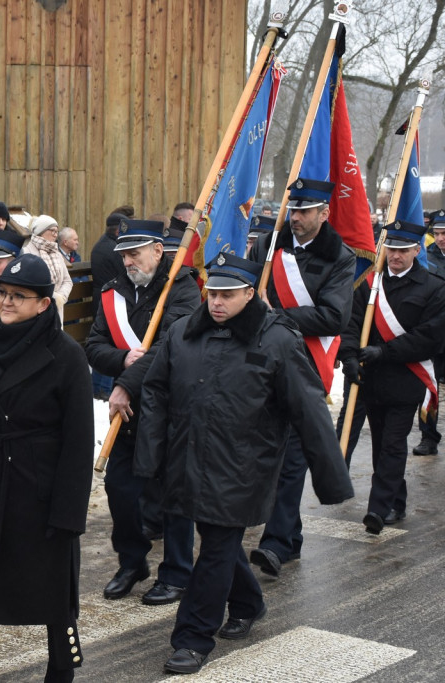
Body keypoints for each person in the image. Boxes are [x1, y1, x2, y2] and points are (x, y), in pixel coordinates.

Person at [137, 252, 353, 675]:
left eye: (228, 295)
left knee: (216, 548)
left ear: (250, 293)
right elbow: (155, 391)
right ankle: (249, 603)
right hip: (187, 459)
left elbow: (308, 408)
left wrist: (332, 479)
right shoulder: (182, 333)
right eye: (212, 293)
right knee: (219, 541)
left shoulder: (277, 340)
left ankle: (193, 638)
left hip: (244, 466)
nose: (217, 302)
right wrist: (151, 456)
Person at [0, 253, 94, 683]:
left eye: (18, 296)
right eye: (2, 293)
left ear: (44, 303)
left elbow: (79, 443)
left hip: (39, 496)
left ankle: (61, 672)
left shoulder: (65, 355)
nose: (5, 302)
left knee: (52, 599)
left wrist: (68, 515)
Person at [84, 219, 198, 606]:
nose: (128, 261)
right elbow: (94, 345)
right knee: (120, 490)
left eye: (135, 253)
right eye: (124, 255)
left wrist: (125, 384)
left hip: (170, 407)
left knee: (173, 494)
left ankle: (177, 572)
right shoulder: (113, 292)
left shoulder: (181, 289)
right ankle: (132, 562)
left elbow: (170, 348)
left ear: (157, 251)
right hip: (129, 412)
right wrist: (121, 359)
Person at [248, 178, 355, 578]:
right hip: (262, 362)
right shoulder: (270, 244)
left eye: (305, 211)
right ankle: (289, 538)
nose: (296, 218)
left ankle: (275, 542)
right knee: (267, 448)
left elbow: (333, 316)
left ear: (324, 213)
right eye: (293, 210)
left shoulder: (339, 257)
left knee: (291, 457)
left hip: (307, 365)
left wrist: (272, 316)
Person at [338, 221, 445, 533]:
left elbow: (430, 338)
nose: (395, 255)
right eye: (391, 249)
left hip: (406, 379)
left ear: (416, 250)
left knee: (393, 445)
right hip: (371, 381)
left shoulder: (434, 288)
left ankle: (378, 507)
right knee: (380, 443)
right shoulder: (369, 283)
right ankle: (396, 500)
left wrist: (384, 352)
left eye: (402, 250)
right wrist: (348, 358)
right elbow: (352, 325)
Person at [88, 211, 133, 400]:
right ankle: (103, 388)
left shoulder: (102, 244)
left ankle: (99, 386)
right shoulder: (113, 249)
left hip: (102, 296)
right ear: (118, 231)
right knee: (111, 343)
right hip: (110, 300)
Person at [413, 208, 445, 456]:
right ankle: (428, 436)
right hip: (434, 334)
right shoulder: (426, 257)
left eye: (444, 233)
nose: (441, 238)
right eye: (437, 233)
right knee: (428, 388)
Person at [23, 215, 73, 315]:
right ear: (41, 231)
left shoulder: (56, 253)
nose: (55, 235)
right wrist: (52, 296)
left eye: (57, 231)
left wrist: (61, 297)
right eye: (52, 231)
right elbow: (29, 282)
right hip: (37, 308)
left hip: (57, 309)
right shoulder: (26, 252)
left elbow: (67, 280)